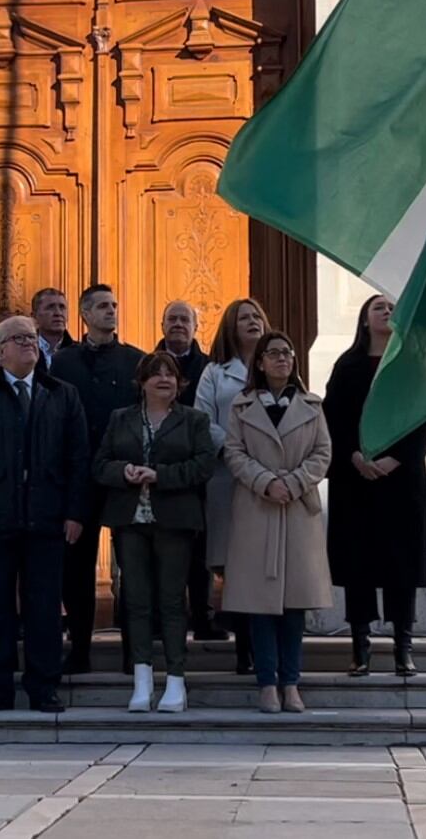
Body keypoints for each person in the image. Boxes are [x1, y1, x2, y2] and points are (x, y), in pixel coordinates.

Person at [0, 315, 88, 714]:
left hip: (47, 518)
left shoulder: (62, 394)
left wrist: (75, 512)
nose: (29, 343)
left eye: (33, 338)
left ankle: (43, 687)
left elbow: (78, 459)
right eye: (18, 338)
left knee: (44, 607)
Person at [93, 350, 215, 713]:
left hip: (174, 521)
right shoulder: (121, 419)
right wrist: (124, 471)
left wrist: (161, 475)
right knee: (137, 600)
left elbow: (204, 464)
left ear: (180, 383)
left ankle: (176, 680)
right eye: (156, 374)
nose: (164, 379)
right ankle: (142, 680)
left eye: (171, 374)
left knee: (172, 601)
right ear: (142, 382)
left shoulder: (194, 420)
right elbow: (100, 464)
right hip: (131, 521)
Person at [221, 330, 332, 715]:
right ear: (261, 362)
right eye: (274, 353)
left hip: (298, 510)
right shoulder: (241, 406)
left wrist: (294, 481)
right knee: (259, 602)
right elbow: (233, 452)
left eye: (288, 353)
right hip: (258, 509)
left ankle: (292, 683)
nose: (283, 359)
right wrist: (265, 481)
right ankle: (267, 683)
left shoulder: (311, 405)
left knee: (293, 604)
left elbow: (323, 453)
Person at [325, 294, 426, 678]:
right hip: (355, 480)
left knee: (400, 564)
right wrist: (355, 456)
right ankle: (360, 647)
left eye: (392, 307)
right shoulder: (347, 365)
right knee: (359, 565)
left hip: (401, 482)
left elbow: (423, 417)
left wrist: (394, 459)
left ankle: (403, 647)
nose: (387, 311)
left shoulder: (410, 365)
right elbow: (333, 418)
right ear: (363, 319)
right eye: (378, 307)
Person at [50, 283, 146, 674]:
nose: (111, 311)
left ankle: (133, 651)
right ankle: (80, 649)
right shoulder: (62, 362)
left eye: (114, 305)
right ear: (85, 314)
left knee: (132, 566)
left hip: (124, 476)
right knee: (76, 567)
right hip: (77, 478)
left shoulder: (136, 360)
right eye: (103, 306)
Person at [193, 297, 271, 673]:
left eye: (257, 316)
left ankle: (265, 643)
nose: (253, 321)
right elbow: (203, 420)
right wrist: (237, 451)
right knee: (233, 565)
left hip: (270, 480)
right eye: (244, 317)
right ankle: (244, 650)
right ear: (231, 326)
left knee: (263, 562)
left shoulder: (277, 366)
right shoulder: (214, 373)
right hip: (228, 478)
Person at [156, 300, 219, 642]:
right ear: (162, 324)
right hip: (157, 471)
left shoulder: (210, 368)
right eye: (172, 319)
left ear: (196, 327)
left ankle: (204, 617)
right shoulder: (147, 365)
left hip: (198, 472)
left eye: (185, 319)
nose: (178, 324)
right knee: (158, 550)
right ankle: (158, 620)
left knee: (199, 550)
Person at [31, 288, 71, 370]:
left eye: (62, 307)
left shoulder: (80, 353)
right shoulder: (25, 350)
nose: (58, 313)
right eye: (50, 307)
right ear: (34, 316)